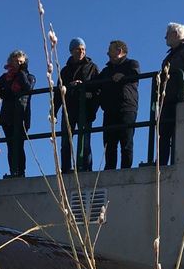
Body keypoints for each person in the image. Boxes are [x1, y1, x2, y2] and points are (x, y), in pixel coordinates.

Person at [157, 22, 184, 166]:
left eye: (167, 35)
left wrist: (181, 87)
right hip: (168, 98)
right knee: (164, 132)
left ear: (175, 34)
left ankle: (177, 162)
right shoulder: (171, 54)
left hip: (182, 98)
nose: (165, 38)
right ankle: (161, 163)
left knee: (178, 132)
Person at [54, 37, 100, 173]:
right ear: (71, 51)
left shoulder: (92, 67)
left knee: (85, 140)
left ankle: (85, 168)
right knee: (65, 141)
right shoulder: (65, 70)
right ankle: (66, 168)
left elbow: (97, 88)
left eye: (83, 49)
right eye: (78, 49)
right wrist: (54, 111)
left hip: (85, 108)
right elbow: (58, 92)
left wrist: (87, 93)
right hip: (68, 108)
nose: (81, 51)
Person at [97, 40, 140, 170]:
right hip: (109, 109)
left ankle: (125, 169)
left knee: (126, 141)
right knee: (109, 143)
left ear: (119, 51)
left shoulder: (131, 64)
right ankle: (109, 169)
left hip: (126, 107)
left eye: (110, 50)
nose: (107, 53)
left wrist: (123, 76)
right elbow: (96, 83)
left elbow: (135, 75)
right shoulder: (106, 70)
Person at [0, 50, 36, 178]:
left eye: (21, 62)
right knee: (10, 145)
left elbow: (27, 87)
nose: (18, 63)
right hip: (7, 115)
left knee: (19, 144)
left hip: (21, 115)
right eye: (16, 61)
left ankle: (21, 171)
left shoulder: (29, 76)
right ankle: (13, 171)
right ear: (10, 61)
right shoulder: (5, 77)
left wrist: (21, 72)